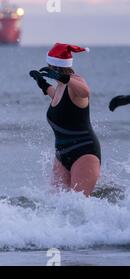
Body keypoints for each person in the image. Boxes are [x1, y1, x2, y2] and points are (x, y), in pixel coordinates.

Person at [29, 43, 101, 197]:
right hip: (62, 153)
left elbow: (85, 92)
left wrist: (63, 78)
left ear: (54, 66)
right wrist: (42, 84)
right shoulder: (61, 87)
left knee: (79, 205)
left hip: (84, 151)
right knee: (56, 203)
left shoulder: (75, 81)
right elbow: (59, 101)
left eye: (50, 66)